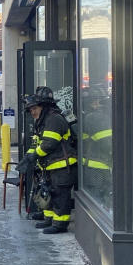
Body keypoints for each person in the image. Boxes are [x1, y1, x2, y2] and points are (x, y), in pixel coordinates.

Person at [24, 87, 77, 234]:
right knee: (49, 192)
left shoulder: (53, 119)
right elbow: (36, 142)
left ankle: (60, 225)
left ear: (43, 106)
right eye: (30, 110)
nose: (32, 112)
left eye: (34, 108)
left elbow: (49, 143)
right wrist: (28, 157)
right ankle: (49, 219)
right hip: (50, 166)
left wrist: (35, 155)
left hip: (62, 166)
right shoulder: (42, 120)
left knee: (60, 196)